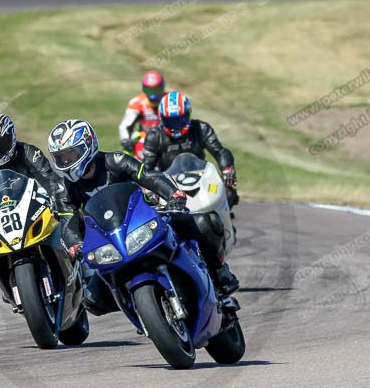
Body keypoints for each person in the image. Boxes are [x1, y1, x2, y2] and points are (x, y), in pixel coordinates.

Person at [47, 119, 239, 316]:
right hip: (109, 242)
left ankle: (218, 272)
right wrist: (75, 244)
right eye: (61, 158)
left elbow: (148, 176)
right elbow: (67, 222)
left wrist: (173, 193)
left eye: (71, 154)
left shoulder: (116, 161)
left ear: (88, 144)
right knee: (92, 299)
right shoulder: (64, 189)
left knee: (204, 223)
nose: (67, 162)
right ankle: (142, 309)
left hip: (143, 220)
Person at [0, 113, 70, 284]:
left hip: (33, 208)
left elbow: (50, 179)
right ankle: (8, 282)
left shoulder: (27, 152)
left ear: (11, 139)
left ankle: (73, 269)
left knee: (66, 233)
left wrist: (57, 199)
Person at [143, 91, 239, 209]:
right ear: (161, 118)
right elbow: (146, 167)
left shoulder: (201, 128)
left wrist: (227, 168)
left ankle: (226, 226)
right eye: (171, 121)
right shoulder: (154, 136)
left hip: (201, 177)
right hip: (169, 182)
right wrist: (147, 187)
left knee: (228, 192)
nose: (176, 125)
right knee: (149, 201)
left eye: (180, 120)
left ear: (188, 114)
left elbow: (220, 152)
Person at [118, 70, 166, 159]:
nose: (153, 94)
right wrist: (126, 141)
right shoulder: (136, 103)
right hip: (144, 139)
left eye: (156, 90)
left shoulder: (168, 100)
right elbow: (125, 126)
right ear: (144, 89)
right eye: (150, 90)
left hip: (166, 139)